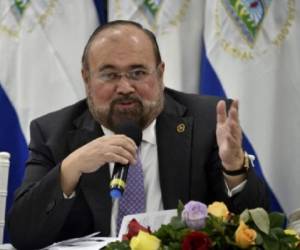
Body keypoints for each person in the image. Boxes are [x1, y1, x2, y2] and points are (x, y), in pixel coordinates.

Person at [7, 20, 269, 249]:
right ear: (86, 78)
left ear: (161, 74)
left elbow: (254, 226)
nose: (125, 87)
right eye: (109, 74)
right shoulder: (54, 133)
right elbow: (23, 235)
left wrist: (235, 170)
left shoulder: (206, 122)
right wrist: (71, 168)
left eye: (138, 73)